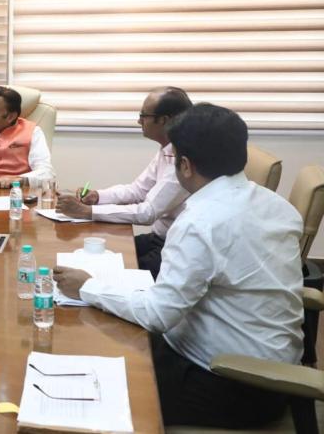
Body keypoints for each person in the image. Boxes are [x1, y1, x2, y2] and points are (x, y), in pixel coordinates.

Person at [54, 103, 304, 429]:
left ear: (185, 165)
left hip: (229, 381)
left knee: (95, 392)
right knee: (112, 342)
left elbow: (158, 315)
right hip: (274, 371)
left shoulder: (200, 222)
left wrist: (87, 286)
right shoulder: (277, 206)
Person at [57, 87, 192, 277]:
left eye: (143, 115)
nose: (139, 121)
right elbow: (137, 190)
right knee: (100, 253)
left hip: (175, 248)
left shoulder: (184, 159)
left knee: (111, 275)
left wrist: (87, 211)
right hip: (158, 237)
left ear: (163, 120)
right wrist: (98, 197)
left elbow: (147, 212)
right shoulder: (166, 150)